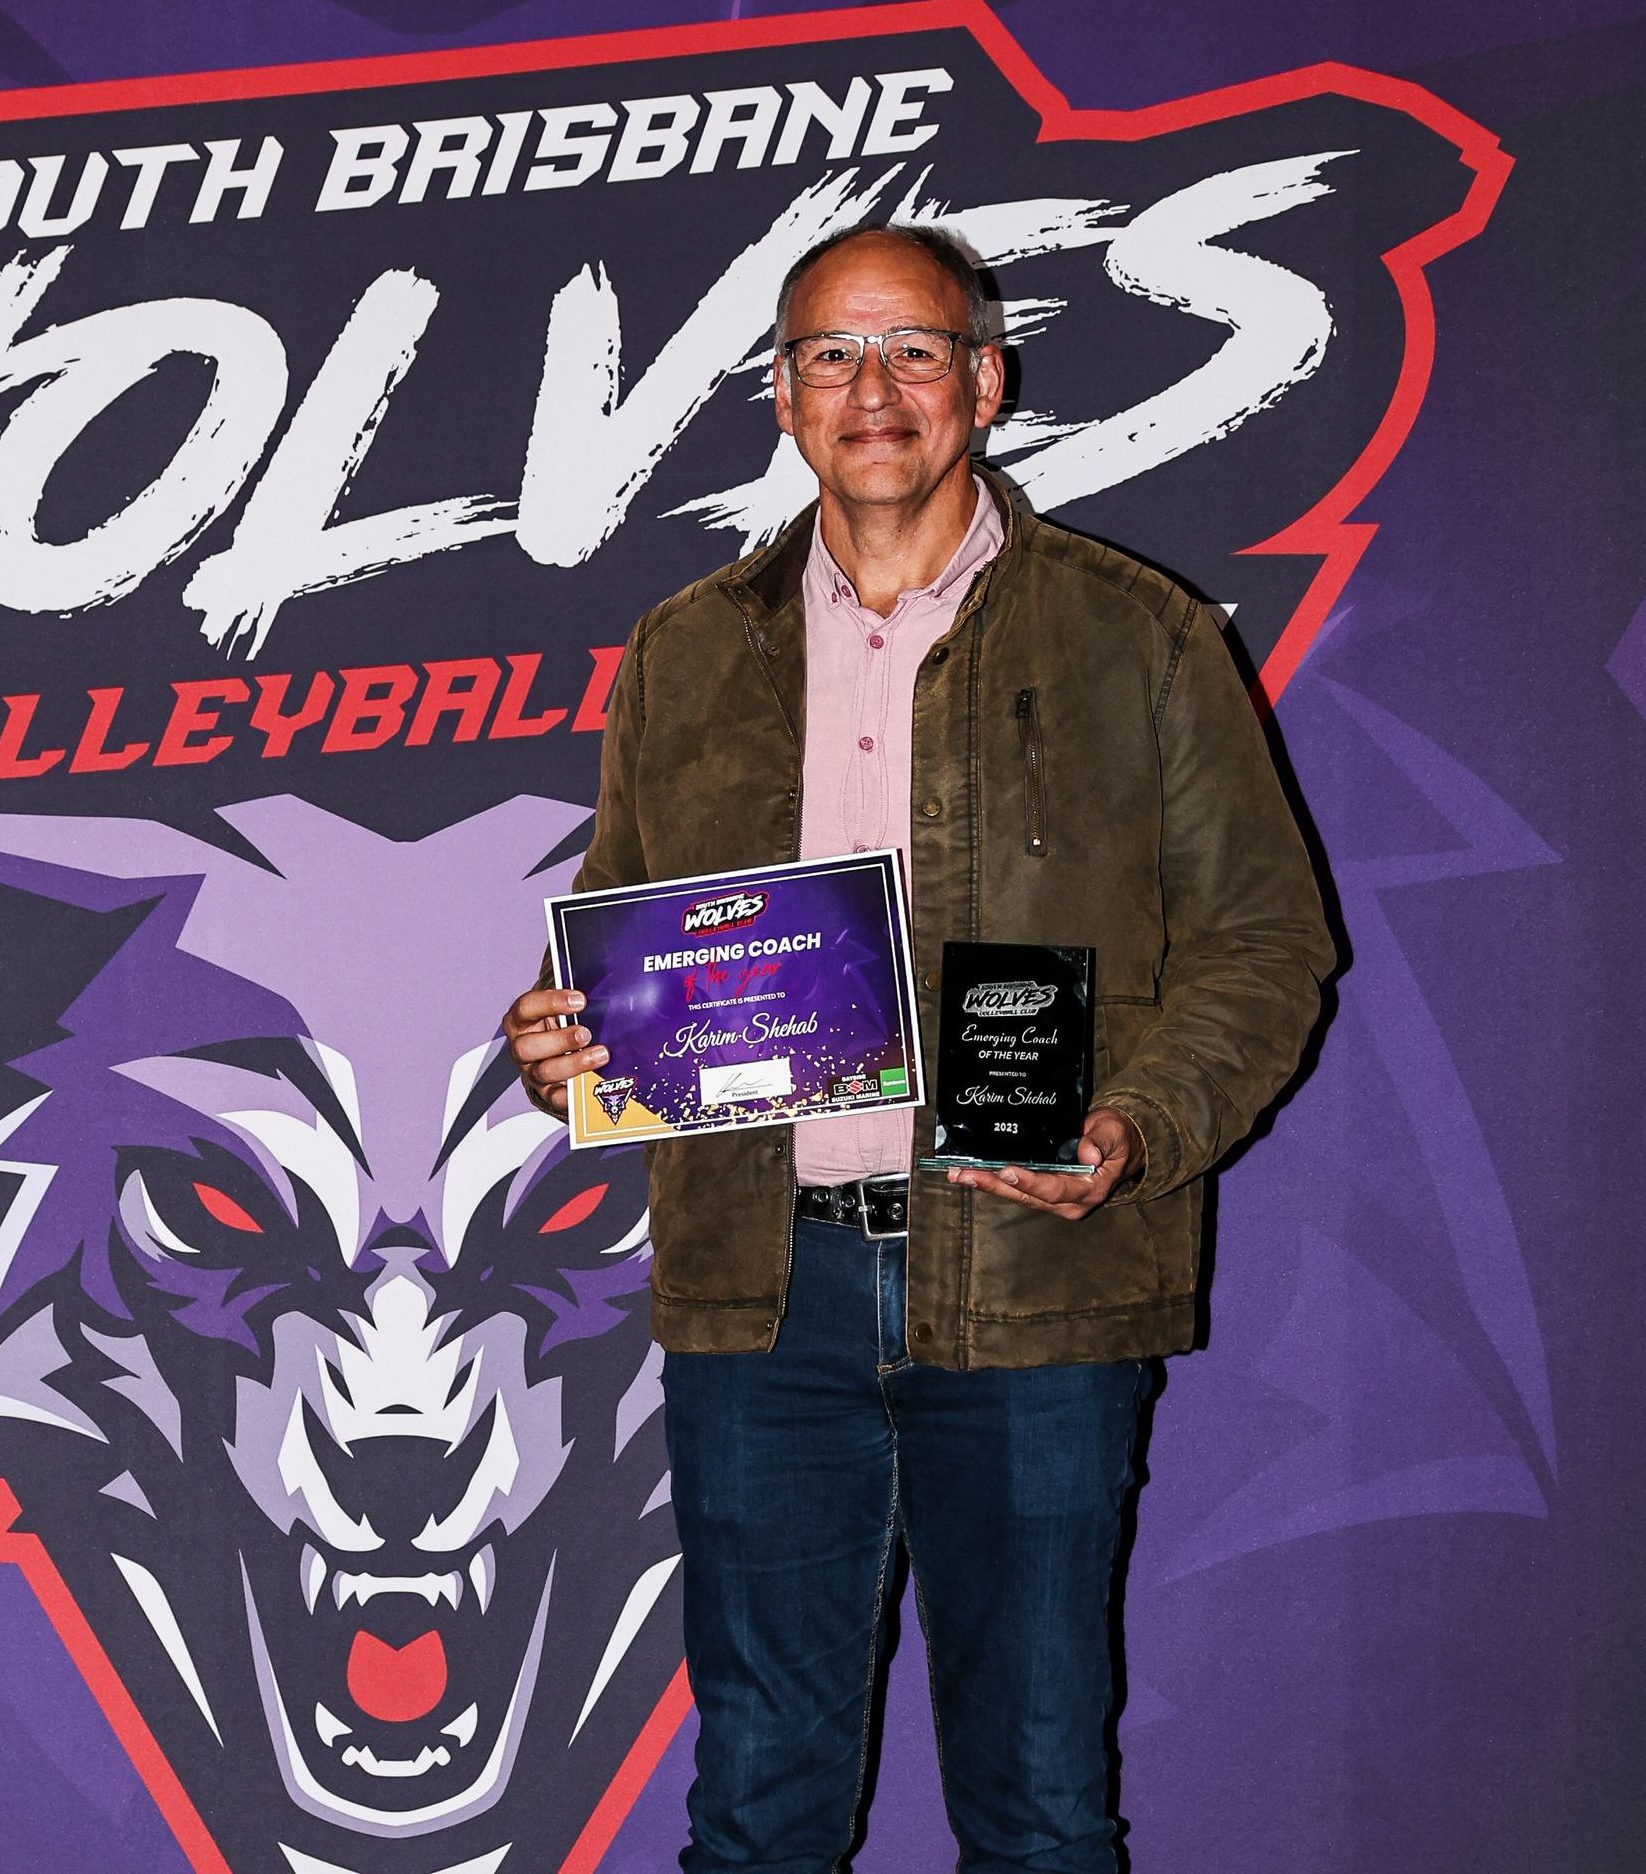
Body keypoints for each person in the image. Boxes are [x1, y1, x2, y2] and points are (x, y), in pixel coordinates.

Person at [501, 222, 1334, 1873]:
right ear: (786, 399)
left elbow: (1267, 945)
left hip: (1035, 1283)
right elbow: (631, 934)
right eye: (831, 356)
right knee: (755, 1810)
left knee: (1036, 1810)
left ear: (986, 381)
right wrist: (565, 1038)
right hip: (763, 1288)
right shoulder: (686, 650)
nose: (871, 389)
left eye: (914, 350)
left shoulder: (1143, 638)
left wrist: (1136, 1123)